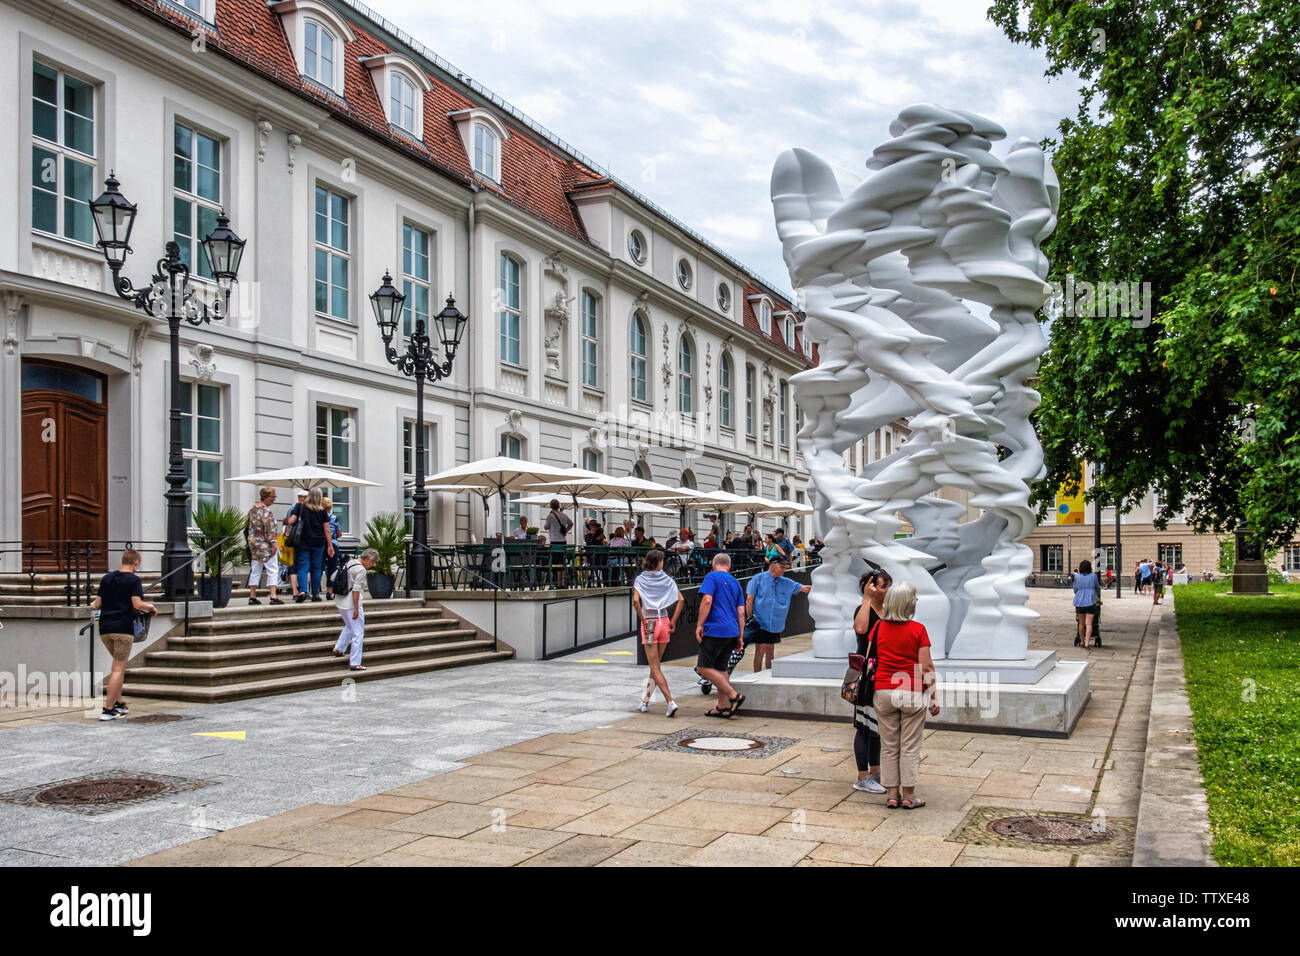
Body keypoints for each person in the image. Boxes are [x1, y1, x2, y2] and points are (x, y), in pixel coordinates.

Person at [873, 581, 939, 810]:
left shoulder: (878, 628)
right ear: (909, 604)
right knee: (909, 746)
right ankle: (909, 796)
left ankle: (892, 794)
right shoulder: (918, 629)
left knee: (889, 745)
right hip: (911, 692)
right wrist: (933, 696)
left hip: (883, 690)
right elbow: (927, 667)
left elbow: (874, 659)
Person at [90, 548, 156, 721]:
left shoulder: (107, 578)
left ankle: (119, 703)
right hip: (123, 629)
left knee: (118, 667)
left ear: (122, 561)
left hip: (105, 629)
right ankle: (108, 709)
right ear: (136, 563)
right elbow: (137, 603)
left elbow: (96, 604)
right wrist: (151, 607)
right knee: (118, 669)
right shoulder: (134, 580)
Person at [851, 569, 892, 793]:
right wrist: (866, 598)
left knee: (876, 726)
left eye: (887, 586)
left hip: (882, 673)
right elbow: (860, 629)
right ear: (871, 587)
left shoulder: (885, 610)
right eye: (883, 586)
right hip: (867, 675)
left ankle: (875, 772)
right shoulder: (864, 608)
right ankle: (862, 777)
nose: (887, 590)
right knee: (864, 726)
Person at [695, 552, 747, 718]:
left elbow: (707, 601)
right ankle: (722, 706)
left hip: (715, 629)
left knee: (703, 667)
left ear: (713, 564)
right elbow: (741, 612)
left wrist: (699, 624)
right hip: (732, 631)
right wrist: (740, 636)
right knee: (721, 667)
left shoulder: (711, 577)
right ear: (729, 567)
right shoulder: (736, 583)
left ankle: (733, 696)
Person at [632, 549, 681, 717]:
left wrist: (643, 619)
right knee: (656, 665)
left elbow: (635, 601)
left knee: (654, 666)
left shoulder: (640, 579)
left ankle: (670, 701)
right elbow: (680, 600)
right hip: (664, 621)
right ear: (658, 562)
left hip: (650, 622)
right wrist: (673, 621)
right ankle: (645, 701)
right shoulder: (667, 578)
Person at [745, 555, 811, 673]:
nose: (783, 570)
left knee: (770, 649)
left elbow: (804, 588)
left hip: (775, 623)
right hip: (759, 622)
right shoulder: (757, 579)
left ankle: (768, 675)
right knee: (759, 649)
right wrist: (750, 619)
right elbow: (749, 600)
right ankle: (756, 675)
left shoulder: (785, 582)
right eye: (782, 567)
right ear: (773, 565)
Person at [332, 547, 378, 671]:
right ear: (368, 559)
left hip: (340, 600)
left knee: (349, 625)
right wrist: (357, 608)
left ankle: (339, 648)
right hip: (351, 603)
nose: (372, 565)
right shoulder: (361, 570)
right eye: (373, 563)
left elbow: (332, 577)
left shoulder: (349, 562)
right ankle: (355, 662)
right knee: (358, 632)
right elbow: (356, 590)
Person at [286, 487, 333, 602]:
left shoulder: (300, 507)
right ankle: (316, 594)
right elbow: (327, 530)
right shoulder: (322, 511)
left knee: (303, 566)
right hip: (319, 543)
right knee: (316, 568)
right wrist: (330, 545)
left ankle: (302, 591)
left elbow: (291, 521)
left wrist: (287, 521)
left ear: (309, 496)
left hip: (303, 542)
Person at [246, 486, 283, 606]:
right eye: (273, 497)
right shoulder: (266, 511)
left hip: (254, 544)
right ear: (266, 497)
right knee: (272, 569)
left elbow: (248, 527)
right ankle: (273, 596)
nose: (274, 499)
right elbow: (270, 529)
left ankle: (252, 596)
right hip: (265, 544)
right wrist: (273, 544)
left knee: (255, 569)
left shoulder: (252, 510)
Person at [545, 499, 573, 587]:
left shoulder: (550, 516)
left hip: (554, 542)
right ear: (558, 506)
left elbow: (546, 527)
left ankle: (557, 583)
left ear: (550, 506)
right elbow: (571, 523)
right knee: (562, 562)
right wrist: (566, 530)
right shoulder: (564, 515)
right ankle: (562, 582)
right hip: (563, 542)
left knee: (555, 563)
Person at [1073, 558, 1101, 648]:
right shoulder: (1093, 576)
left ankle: (1081, 641)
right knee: (1089, 623)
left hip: (1079, 601)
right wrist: (1096, 594)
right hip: (1090, 601)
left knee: (1081, 623)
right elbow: (1097, 587)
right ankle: (1087, 643)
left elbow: (1075, 590)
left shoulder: (1077, 577)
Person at [322, 496, 342, 599]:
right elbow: (339, 533)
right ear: (330, 506)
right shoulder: (334, 517)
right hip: (333, 544)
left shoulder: (319, 517)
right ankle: (329, 592)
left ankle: (315, 591)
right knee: (332, 568)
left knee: (319, 567)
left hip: (321, 543)